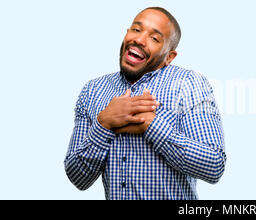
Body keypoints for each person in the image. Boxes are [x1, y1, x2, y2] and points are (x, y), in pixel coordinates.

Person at [64, 7, 226, 200]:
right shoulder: (92, 90)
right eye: (136, 29)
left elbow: (214, 165)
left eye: (154, 38)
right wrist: (104, 123)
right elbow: (78, 178)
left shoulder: (188, 83)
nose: (139, 40)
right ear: (126, 33)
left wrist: (149, 125)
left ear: (169, 57)